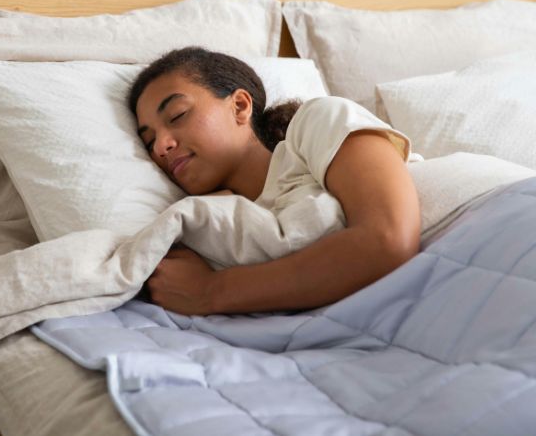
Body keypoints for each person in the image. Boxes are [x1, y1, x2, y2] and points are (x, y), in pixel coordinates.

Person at [128, 46, 420, 316]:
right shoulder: (211, 226)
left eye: (177, 115)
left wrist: (212, 290)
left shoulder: (318, 122)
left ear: (240, 106)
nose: (161, 146)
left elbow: (389, 238)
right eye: (149, 140)